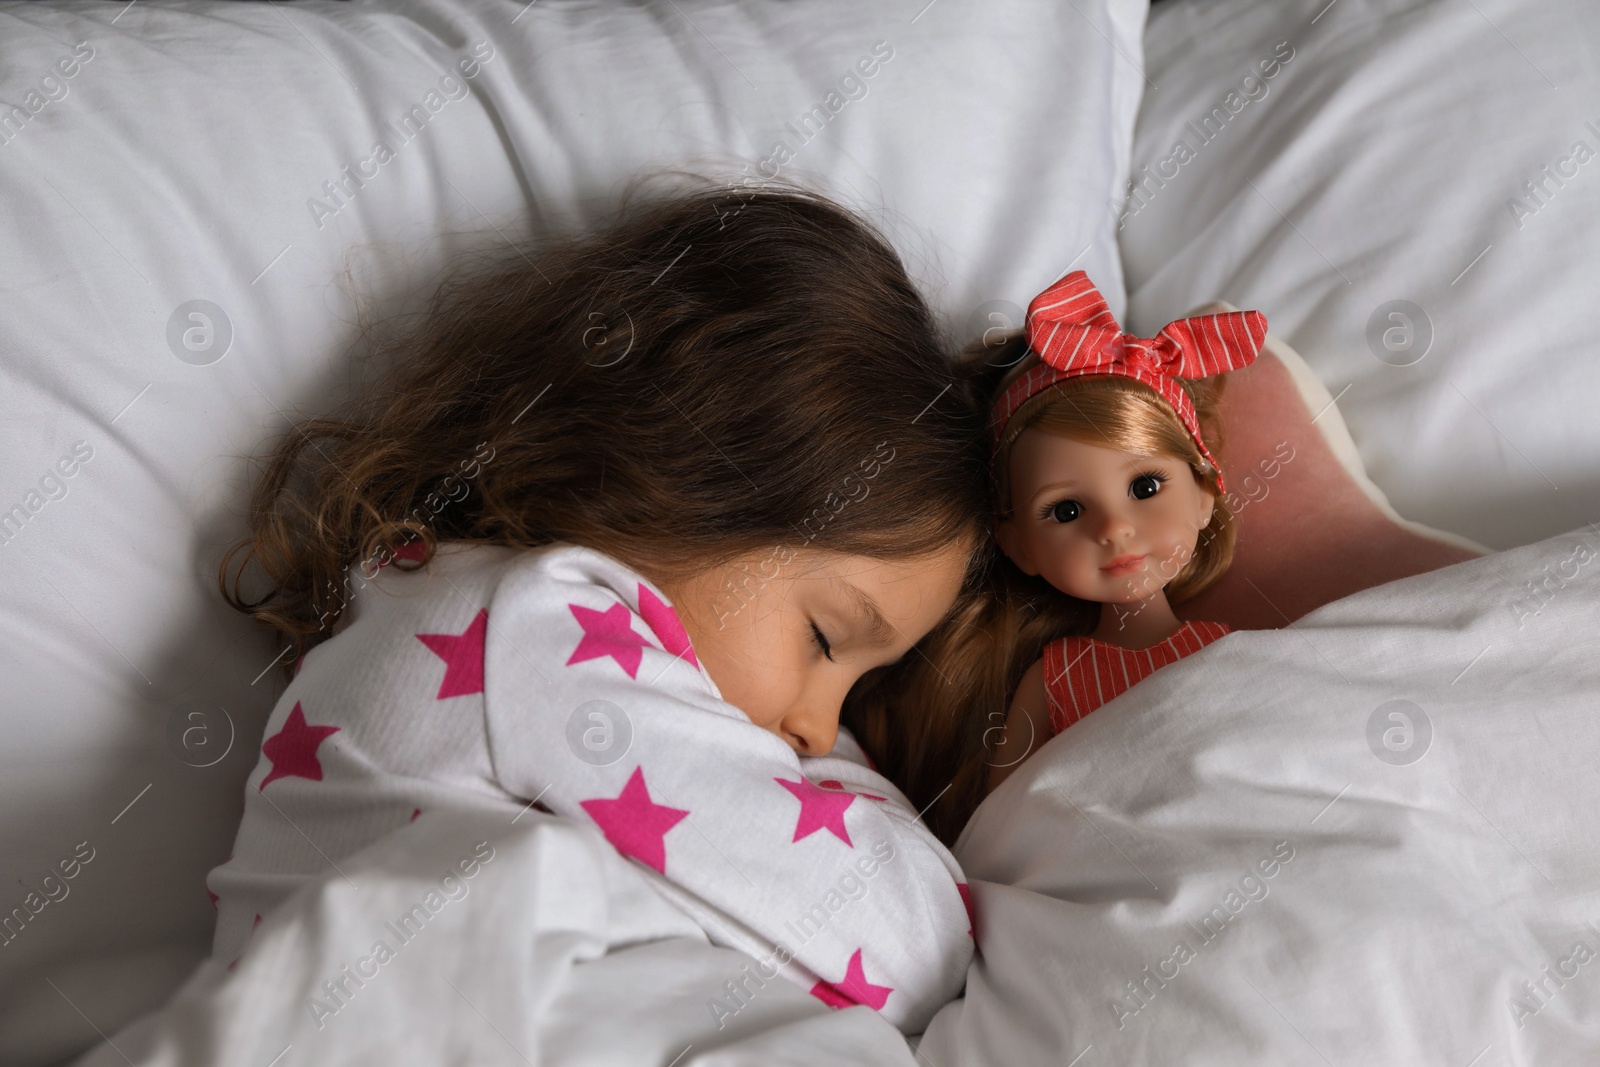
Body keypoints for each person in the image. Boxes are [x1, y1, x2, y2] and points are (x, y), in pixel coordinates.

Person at [209, 177, 986, 1033]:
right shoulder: (527, 634)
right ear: (683, 479)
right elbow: (914, 948)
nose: (816, 726)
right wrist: (842, 772)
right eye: (824, 637)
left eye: (855, 693)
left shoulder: (446, 601)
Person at [844, 271, 1266, 833]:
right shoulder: (1058, 677)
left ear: (1206, 493)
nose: (1115, 529)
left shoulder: (1225, 650)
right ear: (1016, 544)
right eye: (1065, 511)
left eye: (1145, 487)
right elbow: (1005, 816)